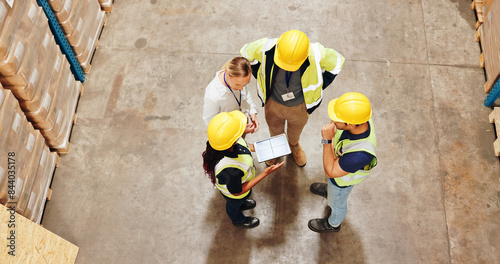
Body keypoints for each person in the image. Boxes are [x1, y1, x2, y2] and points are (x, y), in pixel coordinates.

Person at [240, 29, 345, 167]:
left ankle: (294, 145)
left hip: (300, 106)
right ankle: (277, 147)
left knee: (295, 130)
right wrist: (260, 78)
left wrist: (321, 85)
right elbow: (246, 52)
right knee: (274, 128)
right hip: (273, 102)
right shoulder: (266, 47)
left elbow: (337, 62)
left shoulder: (317, 52)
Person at [308, 92, 378, 233]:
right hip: (338, 168)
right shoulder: (362, 119)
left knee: (337, 203)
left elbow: (331, 172)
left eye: (336, 119)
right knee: (332, 189)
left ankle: (333, 224)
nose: (332, 121)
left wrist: (327, 140)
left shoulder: (360, 154)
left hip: (341, 182)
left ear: (351, 125)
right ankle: (329, 191)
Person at [202, 110, 283, 228]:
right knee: (234, 205)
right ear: (232, 140)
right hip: (236, 194)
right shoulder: (230, 170)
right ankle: (238, 220)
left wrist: (243, 133)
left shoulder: (224, 144)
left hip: (238, 184)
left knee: (242, 200)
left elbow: (244, 145)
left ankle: (243, 203)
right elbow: (237, 192)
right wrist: (265, 173)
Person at [203, 57, 259, 135]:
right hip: (227, 134)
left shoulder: (239, 79)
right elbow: (211, 124)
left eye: (245, 84)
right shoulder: (213, 96)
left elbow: (245, 94)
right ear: (228, 74)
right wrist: (238, 130)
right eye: (238, 85)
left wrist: (252, 112)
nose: (241, 88)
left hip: (242, 125)